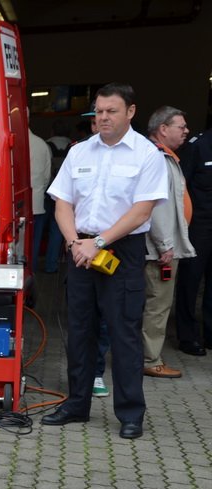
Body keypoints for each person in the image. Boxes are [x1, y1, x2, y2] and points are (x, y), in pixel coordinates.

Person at [42, 83, 167, 440]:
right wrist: (74, 243)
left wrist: (98, 242)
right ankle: (76, 405)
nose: (103, 117)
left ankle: (130, 414)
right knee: (80, 330)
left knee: (123, 332)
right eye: (98, 111)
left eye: (111, 111)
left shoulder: (146, 154)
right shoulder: (80, 152)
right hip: (80, 249)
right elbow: (62, 202)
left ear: (130, 112)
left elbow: (142, 209)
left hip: (121, 251)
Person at [142, 107, 194, 378]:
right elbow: (158, 206)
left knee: (151, 304)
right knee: (158, 305)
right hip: (160, 250)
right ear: (163, 129)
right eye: (181, 126)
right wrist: (165, 245)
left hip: (158, 246)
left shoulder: (161, 156)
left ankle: (145, 356)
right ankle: (150, 359)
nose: (186, 131)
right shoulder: (159, 159)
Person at [175, 126, 212, 356]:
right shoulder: (198, 146)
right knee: (190, 282)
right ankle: (187, 337)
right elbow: (181, 188)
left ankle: (210, 333)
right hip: (199, 226)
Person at [29, 127, 55, 273]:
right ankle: (31, 273)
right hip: (37, 202)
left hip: (11, 206)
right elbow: (47, 177)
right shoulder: (41, 144)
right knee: (33, 243)